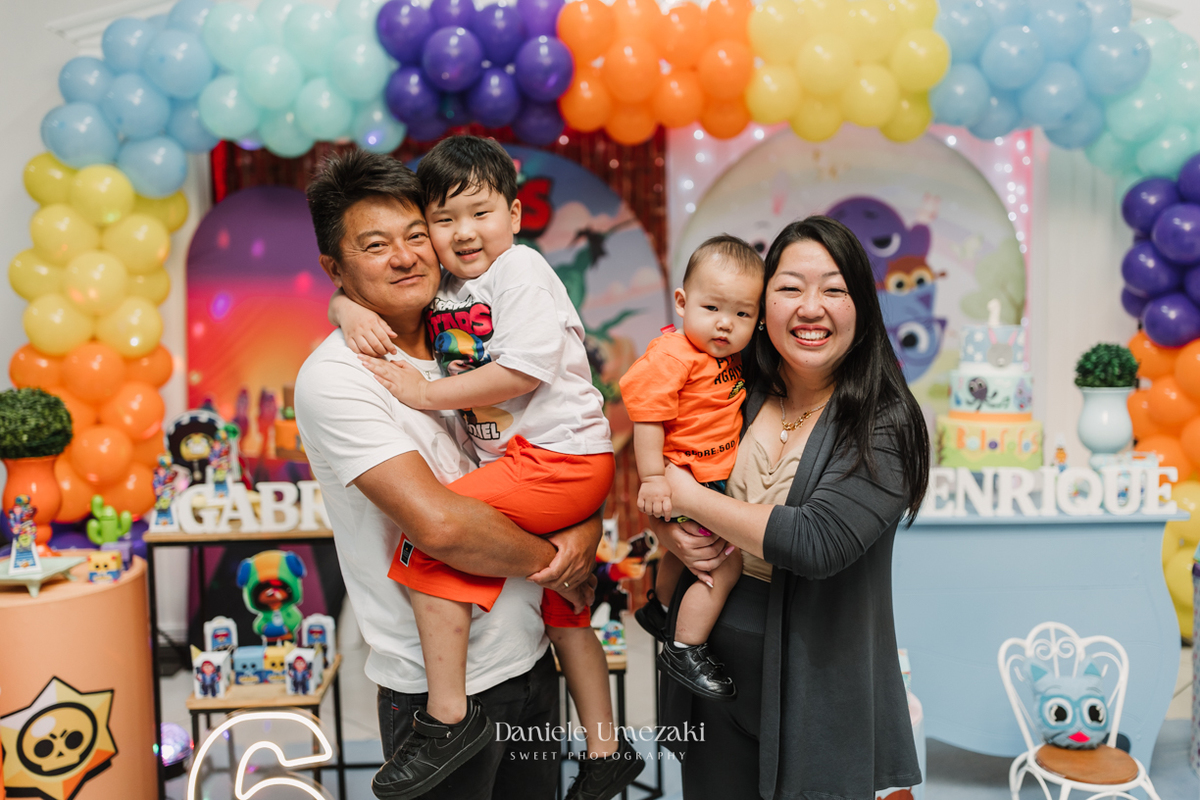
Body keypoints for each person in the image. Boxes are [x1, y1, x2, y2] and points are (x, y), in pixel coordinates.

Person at [328, 137, 643, 800]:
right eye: (443, 222)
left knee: (428, 551)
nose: (460, 235)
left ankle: (448, 719)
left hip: (554, 462)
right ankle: (605, 751)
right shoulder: (449, 290)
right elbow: (378, 288)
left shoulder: (520, 272)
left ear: (517, 214)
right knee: (566, 607)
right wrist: (344, 306)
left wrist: (425, 393)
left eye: (479, 214)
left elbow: (524, 367)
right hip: (546, 475)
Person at [653, 216, 929, 799]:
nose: (811, 308)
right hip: (708, 670)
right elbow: (664, 462)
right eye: (789, 288)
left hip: (815, 676)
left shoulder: (884, 421)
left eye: (834, 289)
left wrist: (687, 497)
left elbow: (815, 542)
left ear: (863, 307)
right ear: (760, 306)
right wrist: (671, 531)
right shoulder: (733, 389)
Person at [619, 235, 762, 701]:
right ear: (682, 303)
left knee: (679, 556)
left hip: (709, 479)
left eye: (742, 314)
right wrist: (655, 479)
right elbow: (647, 418)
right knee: (723, 564)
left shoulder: (724, 356)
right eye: (712, 308)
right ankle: (684, 647)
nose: (726, 324)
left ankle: (659, 611)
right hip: (684, 480)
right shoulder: (671, 356)